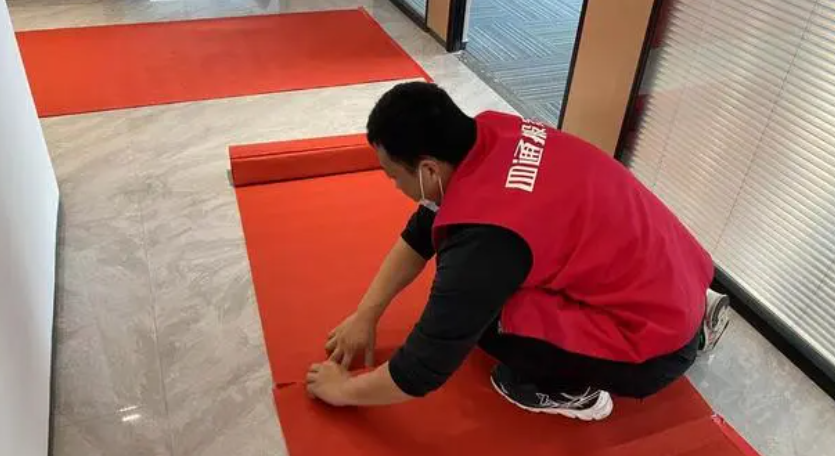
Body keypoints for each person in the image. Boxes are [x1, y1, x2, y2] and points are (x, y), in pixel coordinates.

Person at [306, 82, 730, 420]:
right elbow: (422, 230)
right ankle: (696, 313)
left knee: (488, 319)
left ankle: (567, 391)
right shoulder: (495, 133)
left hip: (653, 348)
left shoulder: (485, 239)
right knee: (507, 269)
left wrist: (343, 390)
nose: (395, 187)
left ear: (428, 170)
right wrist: (366, 314)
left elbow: (422, 369)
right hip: (676, 272)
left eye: (392, 176)